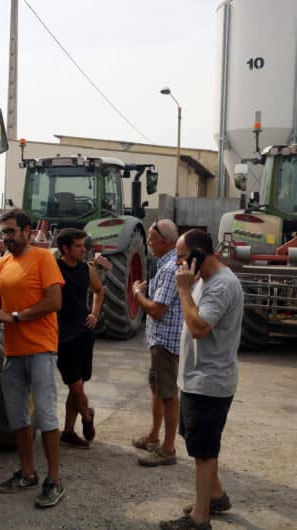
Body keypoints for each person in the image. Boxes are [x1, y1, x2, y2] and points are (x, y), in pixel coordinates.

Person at [0, 208, 66, 508]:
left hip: (40, 350)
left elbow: (54, 302)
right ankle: (28, 473)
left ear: (27, 231)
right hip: (13, 353)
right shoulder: (4, 263)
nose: (7, 237)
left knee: (46, 417)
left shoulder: (43, 259)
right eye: (4, 232)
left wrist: (15, 316)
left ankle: (54, 480)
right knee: (18, 418)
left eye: (12, 231)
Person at [159, 229, 243, 530]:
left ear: (198, 254)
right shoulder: (202, 280)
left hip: (210, 381)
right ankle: (215, 495)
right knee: (197, 440)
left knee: (204, 452)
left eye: (181, 256)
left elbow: (198, 328)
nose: (177, 263)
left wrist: (183, 290)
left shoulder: (220, 285)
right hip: (195, 378)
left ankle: (200, 517)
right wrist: (188, 286)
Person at [131, 219, 183, 466]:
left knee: (168, 394)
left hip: (165, 342)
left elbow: (157, 310)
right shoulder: (166, 265)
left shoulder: (170, 268)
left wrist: (138, 293)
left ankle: (168, 449)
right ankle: (153, 436)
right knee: (157, 389)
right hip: (159, 341)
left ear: (164, 241)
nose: (149, 244)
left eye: (151, 239)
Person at [54, 228, 104, 449]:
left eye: (84, 245)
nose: (84, 250)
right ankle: (86, 416)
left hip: (84, 334)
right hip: (62, 337)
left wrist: (94, 313)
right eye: (79, 246)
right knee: (75, 386)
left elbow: (99, 290)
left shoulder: (86, 269)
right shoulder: (54, 269)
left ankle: (67, 432)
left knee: (78, 386)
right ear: (65, 248)